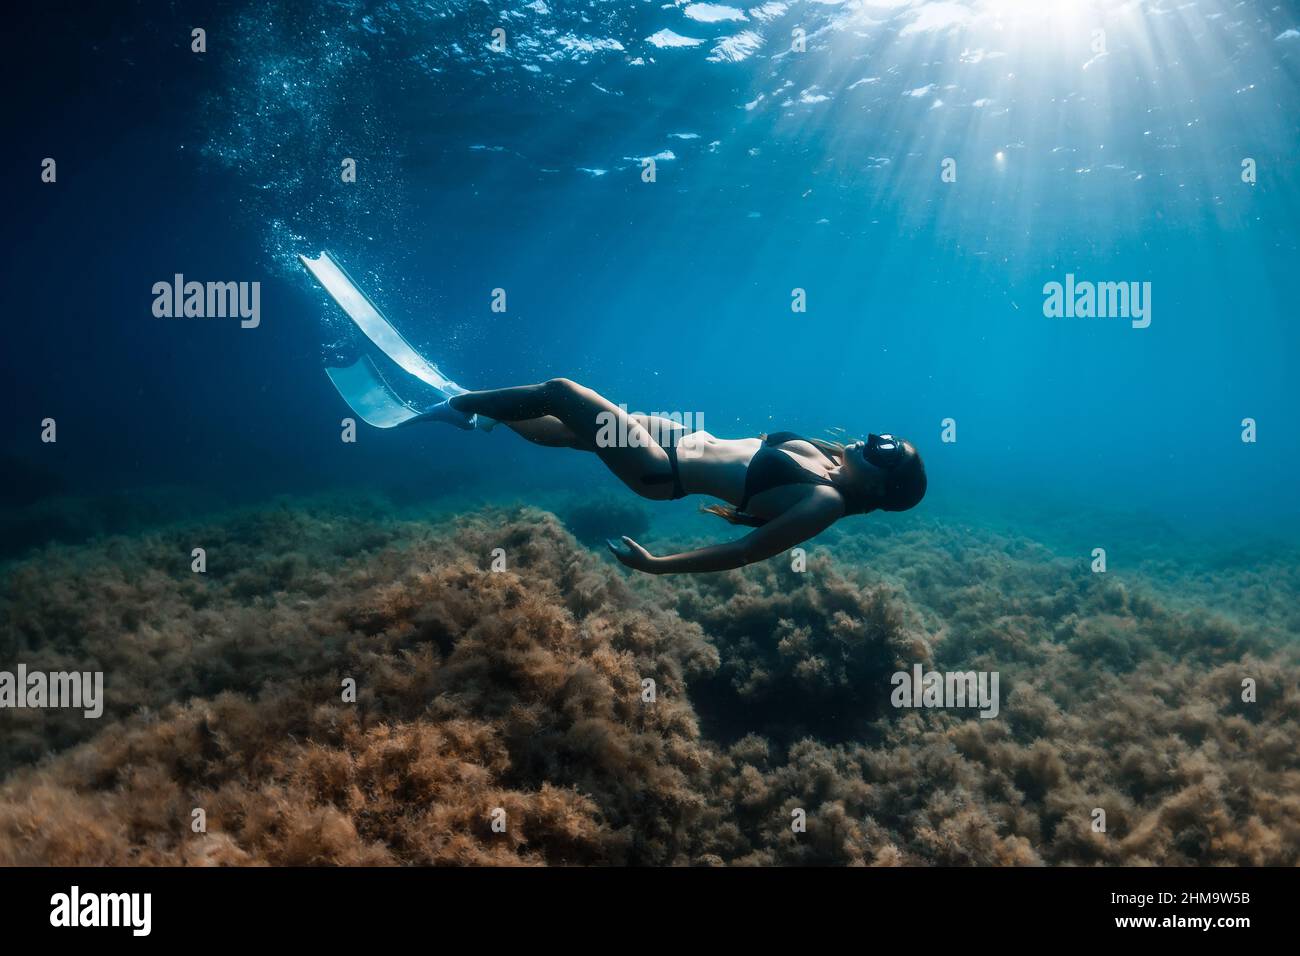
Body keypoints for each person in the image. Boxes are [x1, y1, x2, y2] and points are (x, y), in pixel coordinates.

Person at [418, 378, 926, 574]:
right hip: (676, 435)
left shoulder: (827, 503)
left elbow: (745, 552)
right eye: (880, 437)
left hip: (660, 470)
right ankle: (487, 417)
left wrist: (658, 565)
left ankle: (457, 403)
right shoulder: (833, 458)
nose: (869, 440)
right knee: (574, 431)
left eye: (883, 451)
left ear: (880, 485)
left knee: (560, 393)